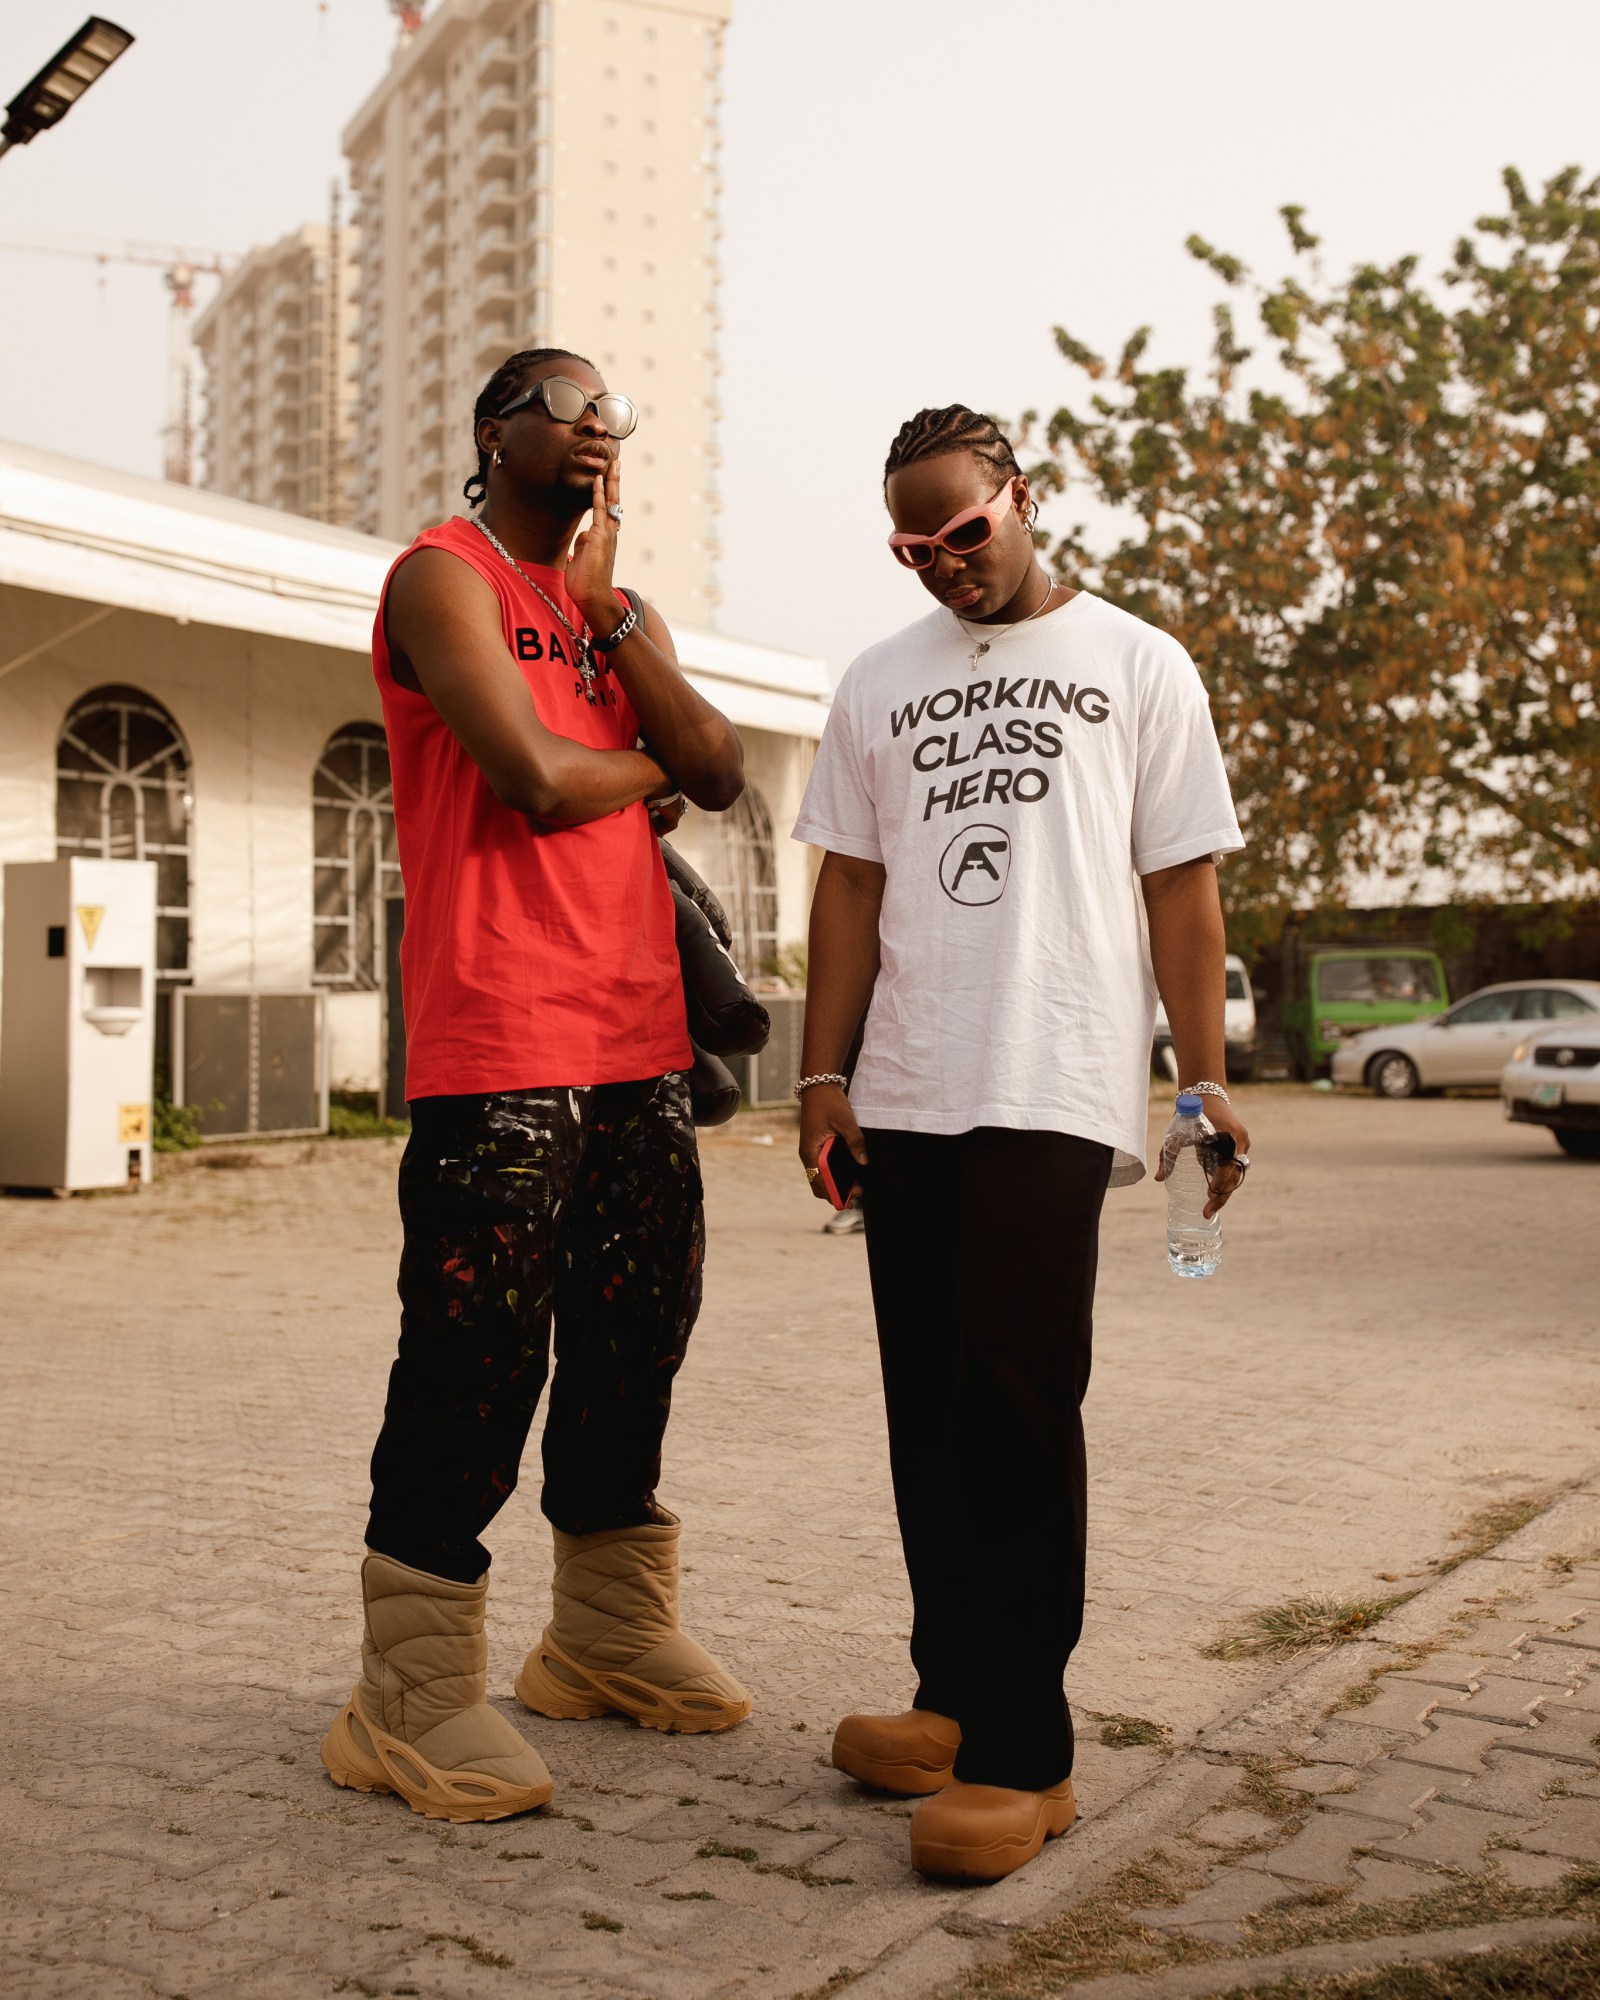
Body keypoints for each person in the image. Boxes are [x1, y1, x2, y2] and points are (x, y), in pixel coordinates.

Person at [792, 404, 1250, 1882]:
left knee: (1016, 1393)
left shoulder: (1137, 663)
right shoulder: (876, 682)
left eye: (964, 534)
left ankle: (1027, 1750)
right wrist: (821, 1074)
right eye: (912, 549)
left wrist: (1204, 1081)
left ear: (1020, 498)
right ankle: (950, 1697)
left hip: (1054, 1080)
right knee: (924, 1400)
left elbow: (1181, 888)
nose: (943, 567)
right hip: (910, 1086)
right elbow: (850, 890)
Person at [320, 349, 751, 1825]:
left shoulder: (612, 618)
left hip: (638, 1043)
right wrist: (636, 759)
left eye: (610, 412)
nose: (595, 424)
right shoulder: (440, 579)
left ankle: (604, 1636)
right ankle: (409, 1695)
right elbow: (536, 782)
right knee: (476, 1354)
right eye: (565, 403)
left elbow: (721, 767)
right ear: (497, 431)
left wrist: (617, 622)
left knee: (640, 1329)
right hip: (500, 1038)